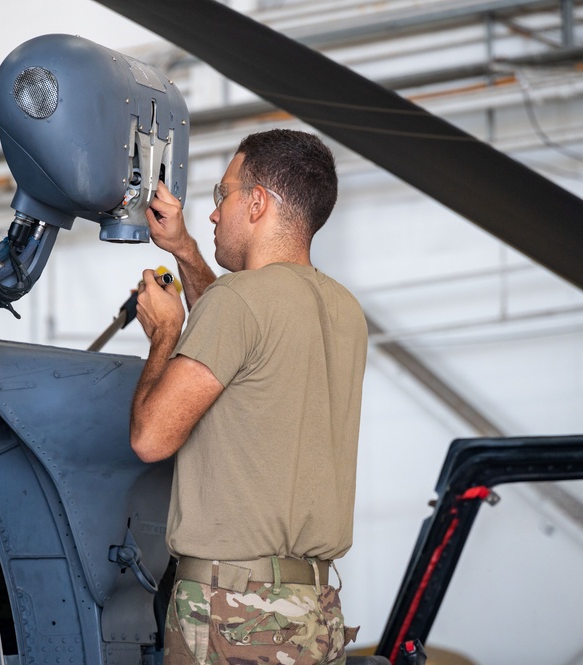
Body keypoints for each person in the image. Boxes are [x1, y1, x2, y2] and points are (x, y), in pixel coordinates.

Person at [130, 129, 369, 665]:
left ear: (257, 202)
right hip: (313, 612)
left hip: (233, 611)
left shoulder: (239, 302)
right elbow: (241, 336)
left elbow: (150, 438)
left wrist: (165, 335)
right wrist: (185, 250)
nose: (215, 214)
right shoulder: (343, 309)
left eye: (224, 195)